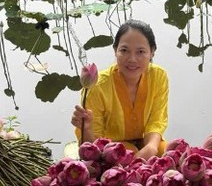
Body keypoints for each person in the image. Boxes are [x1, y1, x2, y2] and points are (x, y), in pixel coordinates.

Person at [71, 20, 169, 159]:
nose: (132, 59)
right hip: (110, 147)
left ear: (152, 52)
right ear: (115, 50)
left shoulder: (159, 76)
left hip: (145, 139)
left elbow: (157, 120)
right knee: (129, 155)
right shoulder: (97, 86)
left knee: (169, 153)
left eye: (141, 52)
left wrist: (150, 148)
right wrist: (85, 128)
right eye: (124, 50)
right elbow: (92, 144)